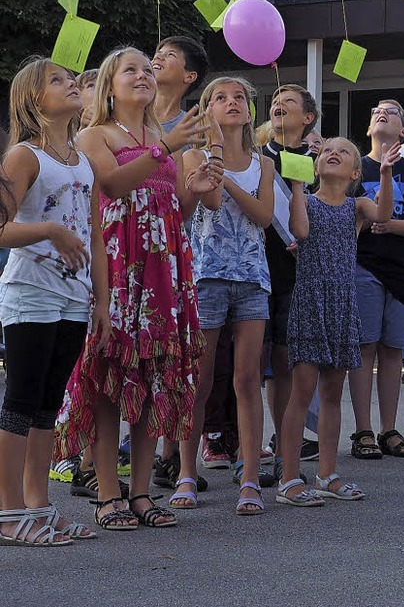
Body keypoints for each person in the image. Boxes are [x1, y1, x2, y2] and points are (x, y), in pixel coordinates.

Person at [55, 47, 218, 531]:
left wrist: (195, 183)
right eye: (133, 70)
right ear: (109, 85)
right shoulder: (94, 134)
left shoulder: (160, 136)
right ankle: (108, 493)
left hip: (163, 269)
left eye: (149, 69)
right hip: (119, 268)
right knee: (110, 379)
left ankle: (143, 493)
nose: (144, 75)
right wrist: (166, 151)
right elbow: (112, 185)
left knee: (153, 381)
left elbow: (178, 210)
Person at [0, 58, 111, 547]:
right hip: (30, 291)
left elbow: (97, 238)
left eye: (73, 80)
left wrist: (102, 302)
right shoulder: (24, 156)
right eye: (59, 80)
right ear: (32, 98)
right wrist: (48, 229)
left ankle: (38, 506)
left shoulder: (82, 160)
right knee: (20, 402)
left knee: (48, 406)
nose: (72, 85)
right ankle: (7, 512)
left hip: (74, 297)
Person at [277, 137, 400, 506]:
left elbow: (385, 215)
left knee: (333, 394)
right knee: (302, 392)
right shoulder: (309, 200)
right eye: (328, 149)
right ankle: (288, 479)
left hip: (342, 303)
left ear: (355, 171)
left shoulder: (357, 205)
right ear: (316, 166)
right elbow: (299, 230)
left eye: (344, 151)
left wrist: (387, 173)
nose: (334, 153)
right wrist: (297, 183)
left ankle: (327, 474)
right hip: (311, 300)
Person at [174, 76, 274, 516]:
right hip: (206, 275)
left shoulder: (264, 164)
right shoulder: (193, 156)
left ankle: (250, 476)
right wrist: (215, 156)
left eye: (239, 98)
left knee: (247, 379)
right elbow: (208, 203)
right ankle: (185, 472)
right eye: (220, 98)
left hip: (252, 276)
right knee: (199, 378)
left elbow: (265, 216)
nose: (231, 103)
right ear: (207, 109)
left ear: (251, 111)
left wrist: (230, 178)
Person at [348, 100, 404, 460]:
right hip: (362, 266)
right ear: (369, 129)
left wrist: (388, 225)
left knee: (393, 350)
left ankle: (389, 429)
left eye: (392, 112)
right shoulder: (353, 168)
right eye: (375, 112)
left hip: (403, 271)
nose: (381, 113)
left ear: (403, 131)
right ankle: (363, 430)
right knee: (365, 346)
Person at [149, 35, 210, 490]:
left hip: (171, 245)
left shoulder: (194, 125)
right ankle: (98, 458)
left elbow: (189, 205)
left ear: (189, 76)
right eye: (157, 53)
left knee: (172, 352)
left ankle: (171, 451)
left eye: (168, 56)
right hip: (122, 241)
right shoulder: (126, 113)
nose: (156, 59)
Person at [261, 84, 319, 475]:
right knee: (249, 365)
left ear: (308, 118)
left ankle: (286, 446)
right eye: (275, 100)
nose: (279, 104)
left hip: (299, 274)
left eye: (290, 102)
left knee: (285, 360)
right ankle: (242, 449)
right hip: (256, 268)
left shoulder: (320, 159)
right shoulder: (254, 156)